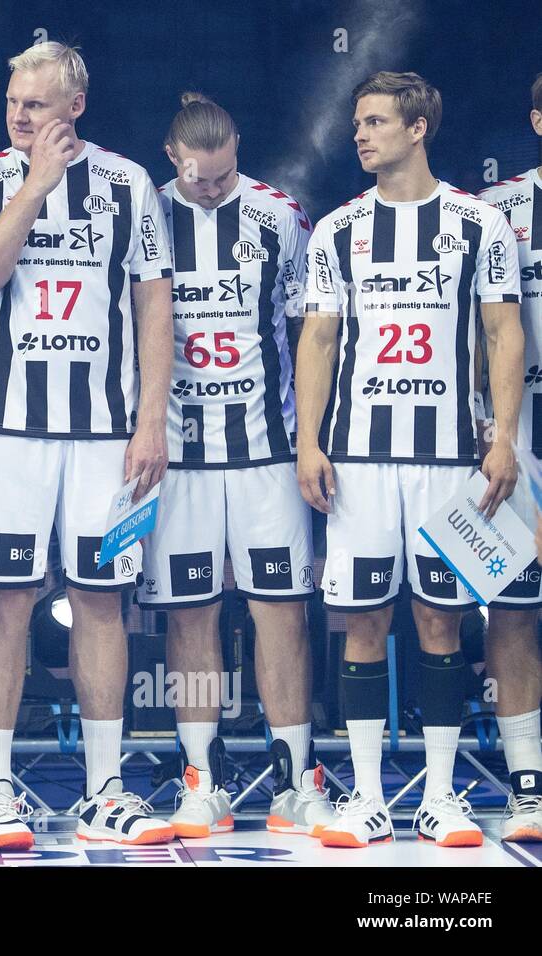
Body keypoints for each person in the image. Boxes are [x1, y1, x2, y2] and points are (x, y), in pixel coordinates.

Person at [0, 42, 175, 848]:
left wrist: (152, 420)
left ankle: (106, 788)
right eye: (12, 101)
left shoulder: (127, 183)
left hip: (109, 433)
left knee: (100, 597)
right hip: (6, 429)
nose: (18, 115)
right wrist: (35, 188)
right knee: (5, 600)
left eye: (36, 104)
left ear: (74, 107)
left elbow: (155, 305)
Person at [297, 72, 523, 848]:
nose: (360, 134)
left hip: (447, 455)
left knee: (441, 619)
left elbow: (503, 333)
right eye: (357, 122)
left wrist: (502, 437)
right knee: (360, 618)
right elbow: (318, 339)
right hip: (358, 456)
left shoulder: (477, 225)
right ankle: (364, 797)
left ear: (418, 127)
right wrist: (309, 441)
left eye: (376, 122)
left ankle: (440, 796)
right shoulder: (336, 230)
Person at [148, 92, 330, 837]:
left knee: (279, 612)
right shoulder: (144, 212)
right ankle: (202, 781)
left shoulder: (279, 215)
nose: (213, 187)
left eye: (225, 175)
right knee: (191, 616)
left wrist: (311, 436)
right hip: (177, 456)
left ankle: (294, 783)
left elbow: (308, 332)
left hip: (264, 451)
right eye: (200, 177)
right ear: (172, 158)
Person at [476, 69, 542, 842]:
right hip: (516, 438)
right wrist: (491, 434)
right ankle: (529, 783)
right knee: (516, 611)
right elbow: (476, 332)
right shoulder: (496, 214)